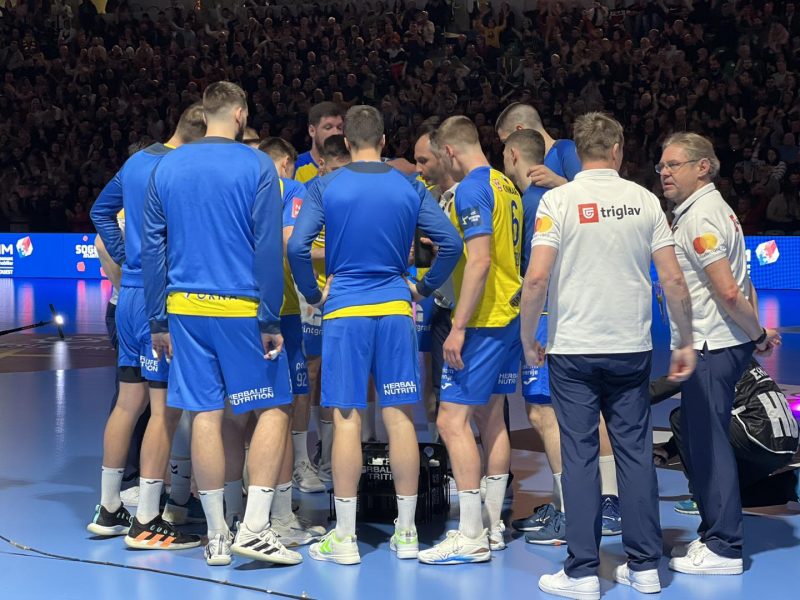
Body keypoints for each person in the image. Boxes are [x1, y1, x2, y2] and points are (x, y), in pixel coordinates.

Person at [521, 112, 696, 599]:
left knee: (579, 457)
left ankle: (581, 574)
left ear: (577, 152)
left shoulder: (557, 201)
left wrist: (526, 335)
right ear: (618, 149)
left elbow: (535, 279)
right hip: (630, 348)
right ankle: (645, 567)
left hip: (573, 349)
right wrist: (683, 340)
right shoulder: (644, 201)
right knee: (635, 453)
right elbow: (674, 280)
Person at [288, 105, 462, 565]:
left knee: (346, 418)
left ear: (346, 143)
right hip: (394, 310)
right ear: (385, 142)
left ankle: (344, 538)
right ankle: (406, 534)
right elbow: (452, 244)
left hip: (345, 310)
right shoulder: (409, 186)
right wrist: (422, 287)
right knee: (400, 416)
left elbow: (295, 246)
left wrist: (312, 291)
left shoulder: (325, 184)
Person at [142, 81, 300, 567]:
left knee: (204, 415)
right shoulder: (255, 165)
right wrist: (270, 316)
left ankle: (215, 537)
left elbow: (153, 247)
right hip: (240, 310)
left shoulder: (166, 166)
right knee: (275, 409)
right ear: (239, 114)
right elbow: (267, 247)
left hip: (185, 310)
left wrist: (158, 319)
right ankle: (254, 527)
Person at [658, 132, 781, 576]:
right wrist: (757, 336)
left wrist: (759, 332)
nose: (664, 173)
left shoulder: (701, 218)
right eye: (662, 166)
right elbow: (741, 282)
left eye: (674, 165)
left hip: (711, 345)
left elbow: (728, 292)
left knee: (709, 446)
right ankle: (715, 534)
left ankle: (725, 547)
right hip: (721, 342)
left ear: (702, 167)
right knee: (699, 439)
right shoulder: (713, 211)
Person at [87, 103, 207, 551]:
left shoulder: (137, 161)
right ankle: (148, 521)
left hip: (130, 297)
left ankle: (108, 508)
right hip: (163, 294)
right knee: (163, 412)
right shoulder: (184, 169)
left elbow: (101, 212)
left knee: (127, 403)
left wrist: (123, 256)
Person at [418, 116, 522, 564]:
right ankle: (494, 525)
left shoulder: (471, 190)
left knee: (450, 422)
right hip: (509, 317)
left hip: (482, 320)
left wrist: (457, 326)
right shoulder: (505, 185)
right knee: (492, 417)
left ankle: (471, 533)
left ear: (451, 152)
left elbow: (478, 261)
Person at [651, 358, 799, 512]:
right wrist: (668, 449)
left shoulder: (710, 357)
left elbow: (659, 390)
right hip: (786, 444)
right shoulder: (742, 357)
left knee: (681, 416)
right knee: (732, 495)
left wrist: (627, 400)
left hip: (755, 436)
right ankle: (793, 484)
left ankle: (704, 498)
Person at [299, 133, 353, 483]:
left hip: (345, 292)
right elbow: (297, 247)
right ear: (322, 165)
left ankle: (332, 457)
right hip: (312, 294)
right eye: (333, 170)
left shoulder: (349, 193)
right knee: (311, 373)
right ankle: (303, 459)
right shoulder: (310, 195)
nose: (337, 176)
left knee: (339, 373)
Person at [413, 118, 459, 442]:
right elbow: (422, 254)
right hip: (441, 307)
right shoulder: (428, 197)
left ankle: (495, 476)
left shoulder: (471, 194)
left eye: (423, 160)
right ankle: (445, 467)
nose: (418, 168)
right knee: (440, 389)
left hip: (473, 311)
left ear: (444, 155)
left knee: (485, 402)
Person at [495, 103, 582, 189]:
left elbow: (589, 191)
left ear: (520, 130)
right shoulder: (528, 166)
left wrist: (559, 182)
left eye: (506, 142)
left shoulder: (566, 150)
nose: (505, 149)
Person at [294, 101, 345, 184]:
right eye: (328, 127)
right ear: (312, 131)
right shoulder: (295, 165)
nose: (336, 133)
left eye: (339, 127)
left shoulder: (351, 165)